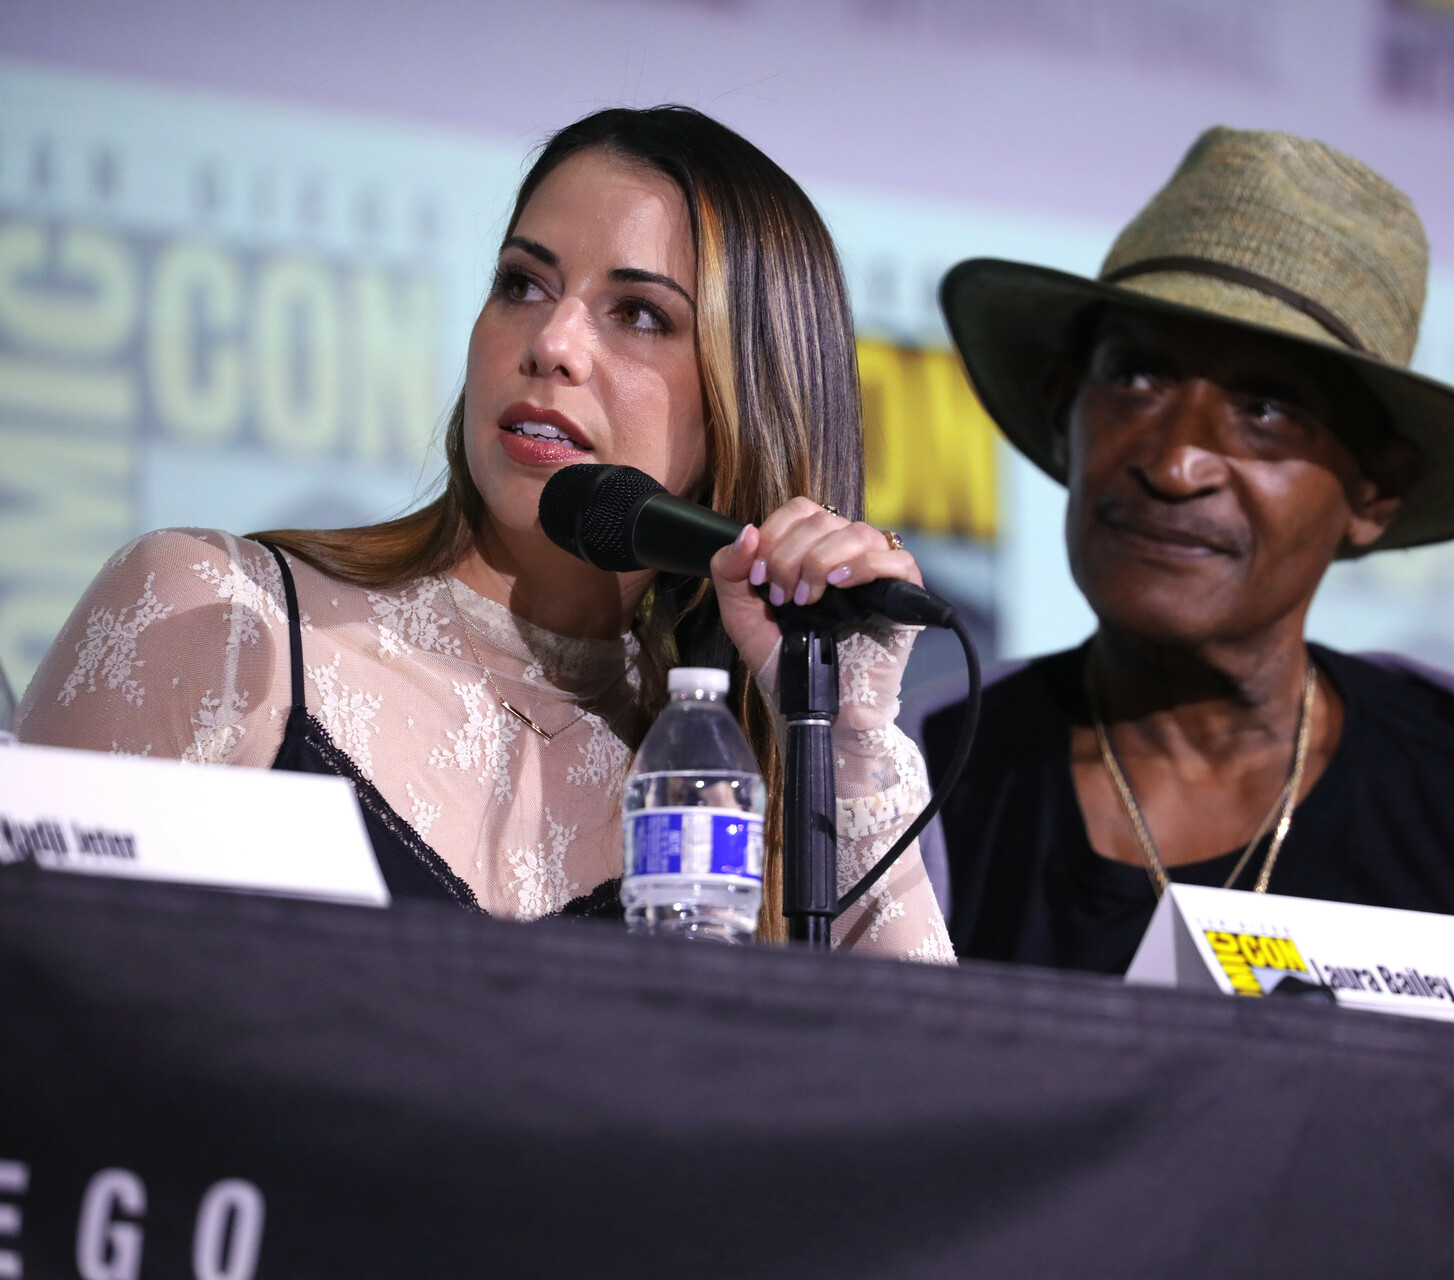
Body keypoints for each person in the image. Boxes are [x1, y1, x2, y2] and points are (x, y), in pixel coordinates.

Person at [17, 107, 952, 961]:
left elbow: (932, 1084)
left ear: (750, 406)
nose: (553, 343)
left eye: (639, 314)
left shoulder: (758, 775)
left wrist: (845, 742)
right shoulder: (216, 618)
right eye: (523, 284)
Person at [908, 127, 1454, 1047]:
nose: (1174, 462)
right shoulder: (904, 778)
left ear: (1375, 492)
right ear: (1066, 410)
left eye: (1265, 409)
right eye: (1135, 375)